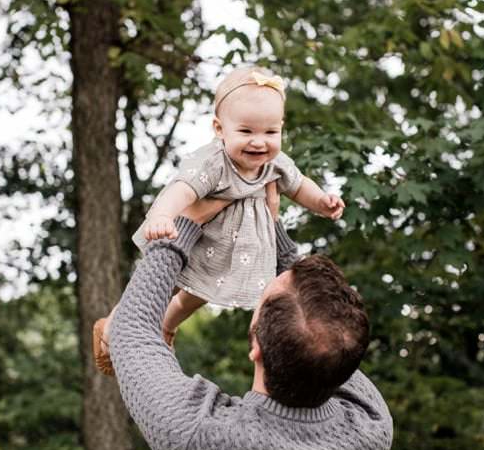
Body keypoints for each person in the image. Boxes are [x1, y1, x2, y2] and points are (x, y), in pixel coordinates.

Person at [93, 66, 345, 375]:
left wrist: (321, 201)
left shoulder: (276, 164)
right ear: (219, 128)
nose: (259, 142)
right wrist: (162, 215)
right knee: (160, 287)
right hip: (199, 243)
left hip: (229, 258)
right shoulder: (214, 163)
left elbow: (300, 184)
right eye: (246, 131)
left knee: (198, 296)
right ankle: (113, 327)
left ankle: (166, 327)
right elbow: (182, 190)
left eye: (270, 132)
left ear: (281, 128)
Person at [108, 199, 393, 450]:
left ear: (256, 346)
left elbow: (132, 331)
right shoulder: (371, 429)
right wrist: (268, 223)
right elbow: (312, 318)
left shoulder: (201, 438)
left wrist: (185, 222)